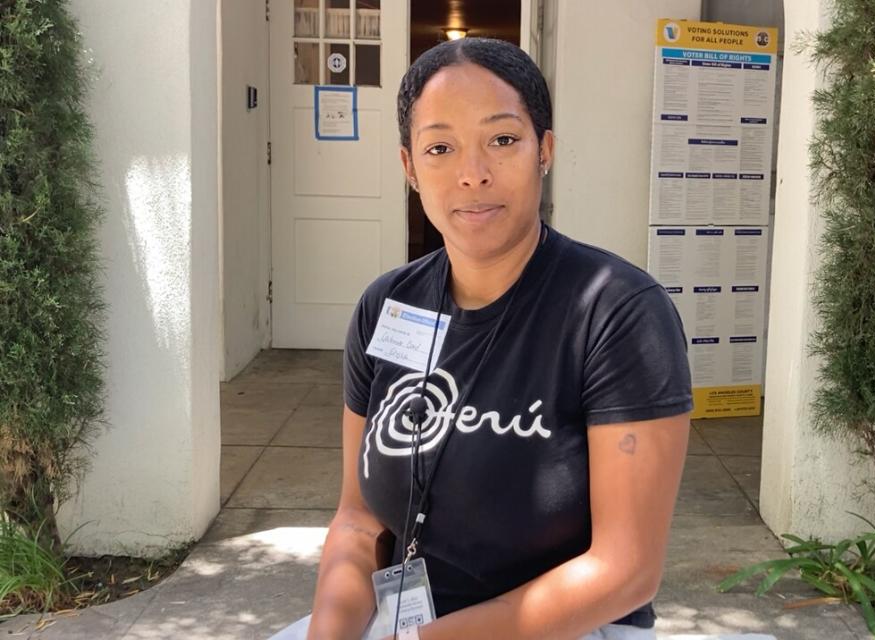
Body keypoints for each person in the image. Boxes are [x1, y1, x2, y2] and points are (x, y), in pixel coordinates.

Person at [280, 37, 691, 640]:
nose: (472, 174)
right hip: (402, 626)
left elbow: (625, 570)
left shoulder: (617, 312)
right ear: (410, 168)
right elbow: (359, 519)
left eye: (502, 140)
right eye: (440, 148)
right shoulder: (386, 308)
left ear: (544, 150)